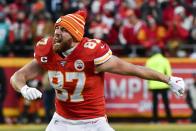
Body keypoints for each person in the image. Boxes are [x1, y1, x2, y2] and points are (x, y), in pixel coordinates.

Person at [10, 10, 185, 131]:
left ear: (75, 35)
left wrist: (168, 79)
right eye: (56, 28)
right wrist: (24, 88)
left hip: (93, 123)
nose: (56, 33)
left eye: (63, 30)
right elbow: (18, 76)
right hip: (61, 121)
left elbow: (133, 69)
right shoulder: (48, 49)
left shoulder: (90, 53)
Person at [146, 46, 174, 123]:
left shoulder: (149, 60)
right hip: (163, 85)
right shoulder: (164, 60)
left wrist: (148, 84)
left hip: (153, 85)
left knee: (154, 104)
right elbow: (168, 73)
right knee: (166, 103)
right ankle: (170, 120)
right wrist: (169, 83)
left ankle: (155, 120)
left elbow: (146, 73)